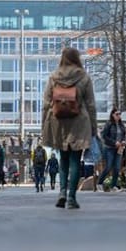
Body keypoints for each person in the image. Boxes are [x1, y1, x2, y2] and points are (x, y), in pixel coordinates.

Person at [41, 47, 97, 209]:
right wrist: (93, 127)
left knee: (63, 160)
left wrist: (44, 124)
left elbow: (46, 104)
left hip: (58, 122)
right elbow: (91, 105)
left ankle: (62, 193)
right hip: (79, 122)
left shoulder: (53, 77)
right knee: (75, 160)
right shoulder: (84, 77)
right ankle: (71, 198)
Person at [98, 108, 126, 192]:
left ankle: (113, 185)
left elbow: (124, 134)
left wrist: (123, 140)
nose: (118, 116)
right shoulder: (109, 124)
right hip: (109, 148)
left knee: (117, 168)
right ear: (112, 115)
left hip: (119, 148)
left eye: (119, 114)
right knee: (108, 166)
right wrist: (114, 142)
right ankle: (99, 183)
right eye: (117, 114)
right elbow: (104, 136)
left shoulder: (121, 125)